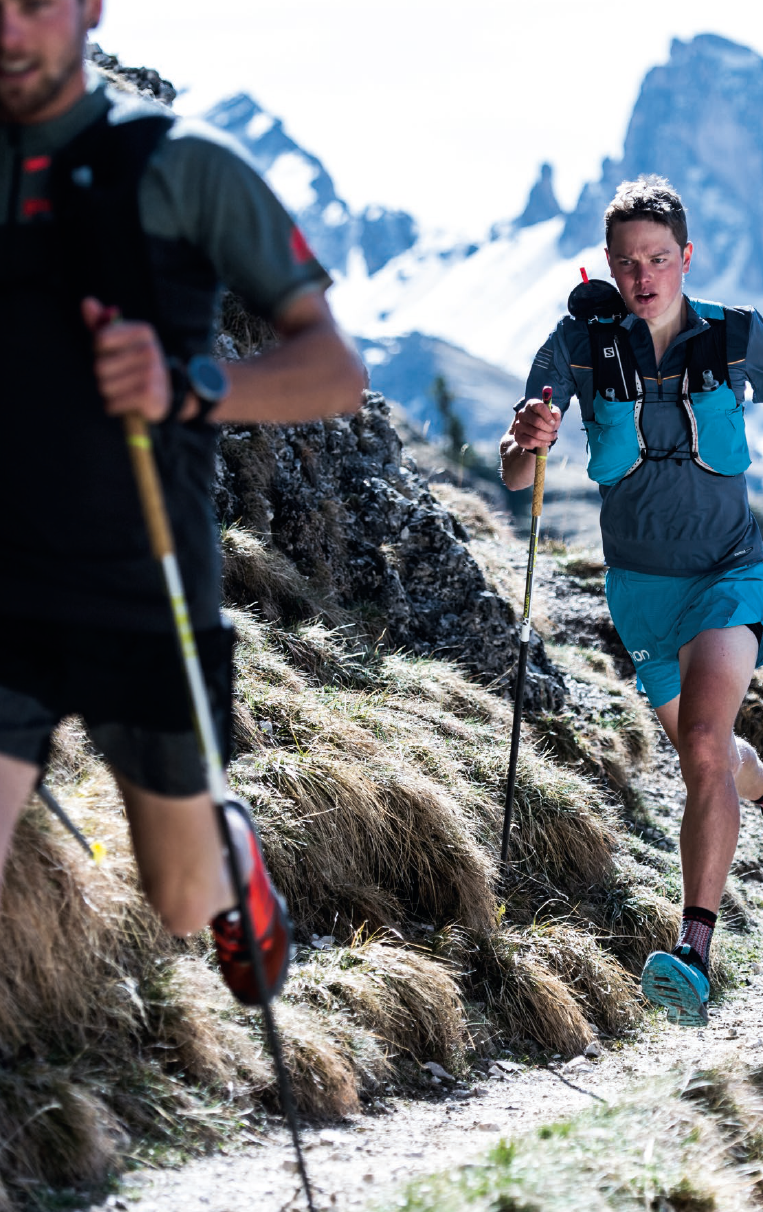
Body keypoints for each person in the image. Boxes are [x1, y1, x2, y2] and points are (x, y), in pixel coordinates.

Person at [0, 0, 365, 1005]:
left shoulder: (183, 165)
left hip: (143, 586)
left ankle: (228, 853)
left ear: (88, 9)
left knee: (177, 897)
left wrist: (188, 386)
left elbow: (335, 369)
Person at [500, 175, 763, 1026]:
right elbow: (517, 475)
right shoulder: (578, 347)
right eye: (627, 262)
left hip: (729, 572)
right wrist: (526, 440)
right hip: (639, 593)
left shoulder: (736, 337)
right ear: (612, 268)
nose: (643, 275)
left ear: (686, 257)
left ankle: (693, 949)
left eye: (659, 257)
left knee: (700, 741)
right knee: (712, 755)